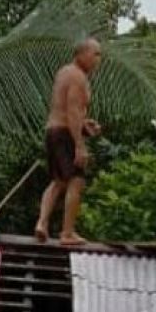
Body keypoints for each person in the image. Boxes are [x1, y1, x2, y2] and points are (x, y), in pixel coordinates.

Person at [35, 38, 104, 245]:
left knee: (58, 181)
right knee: (77, 180)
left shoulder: (64, 72)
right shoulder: (77, 76)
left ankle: (41, 223)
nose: (98, 60)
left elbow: (65, 108)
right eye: (95, 54)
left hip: (53, 130)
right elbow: (73, 111)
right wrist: (80, 146)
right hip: (65, 133)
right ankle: (67, 233)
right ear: (81, 54)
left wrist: (85, 124)